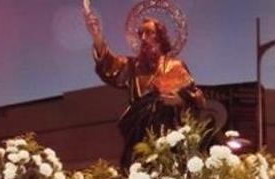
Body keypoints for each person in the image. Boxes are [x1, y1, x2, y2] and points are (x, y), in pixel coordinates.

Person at [84, 10, 206, 167]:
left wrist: (181, 100)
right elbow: (109, 65)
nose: (143, 38)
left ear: (160, 37)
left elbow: (198, 99)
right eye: (140, 33)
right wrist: (97, 36)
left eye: (149, 33)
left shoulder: (175, 66)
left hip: (168, 135)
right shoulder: (133, 66)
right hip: (138, 136)